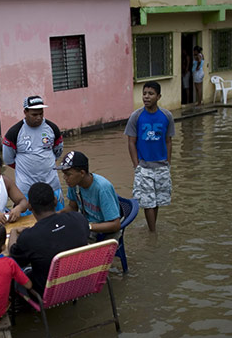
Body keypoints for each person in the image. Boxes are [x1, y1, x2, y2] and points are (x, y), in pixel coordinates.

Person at [9, 182, 90, 295]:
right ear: (55, 201)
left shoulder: (29, 237)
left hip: (47, 292)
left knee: (14, 272)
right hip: (79, 282)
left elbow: (14, 259)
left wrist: (13, 233)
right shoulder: (78, 219)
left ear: (29, 206)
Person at [124, 80, 175, 232]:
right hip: (144, 166)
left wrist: (168, 162)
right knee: (147, 202)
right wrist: (136, 165)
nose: (146, 97)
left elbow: (168, 141)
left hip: (161, 165)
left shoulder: (167, 116)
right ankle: (152, 232)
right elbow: (131, 142)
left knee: (157, 199)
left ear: (158, 96)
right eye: (144, 94)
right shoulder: (136, 116)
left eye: (151, 94)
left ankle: (152, 228)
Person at [2, 95, 63, 199]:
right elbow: (8, 160)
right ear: (25, 112)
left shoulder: (52, 128)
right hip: (26, 188)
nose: (38, 118)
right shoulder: (14, 132)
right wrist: (26, 168)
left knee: (57, 214)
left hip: (52, 185)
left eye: (41, 113)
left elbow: (57, 152)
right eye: (34, 114)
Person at [57, 151, 121, 241]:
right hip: (87, 223)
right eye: (64, 174)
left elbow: (115, 225)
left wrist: (87, 226)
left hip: (103, 227)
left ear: (82, 173)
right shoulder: (74, 184)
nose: (65, 178)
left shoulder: (102, 188)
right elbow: (72, 207)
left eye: (68, 174)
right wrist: (56, 215)